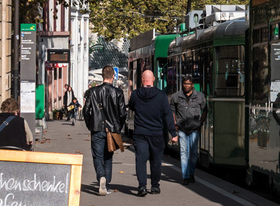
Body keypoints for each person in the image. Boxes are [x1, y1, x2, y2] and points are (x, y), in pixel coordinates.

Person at [128, 68, 175, 196]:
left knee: (141, 160)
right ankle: (155, 186)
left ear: (143, 80)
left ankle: (142, 186)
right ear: (153, 79)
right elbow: (168, 115)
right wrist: (173, 133)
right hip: (157, 134)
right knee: (156, 161)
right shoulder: (161, 95)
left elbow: (131, 106)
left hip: (140, 133)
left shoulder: (135, 94)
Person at [82, 67, 126, 195]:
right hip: (112, 129)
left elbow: (86, 110)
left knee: (97, 156)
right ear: (113, 76)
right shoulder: (118, 92)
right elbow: (122, 113)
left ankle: (101, 175)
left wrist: (90, 124)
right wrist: (118, 127)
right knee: (108, 157)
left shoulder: (93, 91)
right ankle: (106, 185)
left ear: (102, 76)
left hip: (96, 128)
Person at [170, 76, 208, 185]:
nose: (186, 86)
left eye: (188, 84)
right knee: (183, 152)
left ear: (192, 85)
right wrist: (174, 123)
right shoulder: (176, 96)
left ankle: (191, 173)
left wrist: (200, 123)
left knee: (193, 153)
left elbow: (205, 110)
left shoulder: (200, 96)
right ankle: (186, 176)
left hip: (194, 128)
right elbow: (172, 111)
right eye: (185, 84)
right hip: (182, 128)